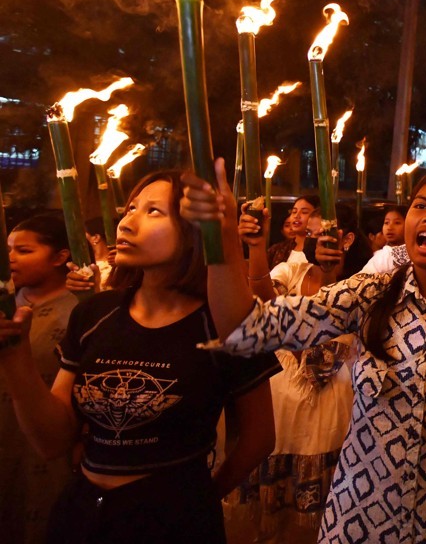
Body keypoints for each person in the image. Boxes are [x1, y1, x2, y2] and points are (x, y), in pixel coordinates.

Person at [183, 164, 426, 543]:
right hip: (358, 521)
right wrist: (221, 238)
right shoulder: (370, 293)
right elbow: (248, 326)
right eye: (420, 206)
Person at [0, 171, 279, 543]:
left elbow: (259, 438)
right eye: (131, 208)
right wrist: (15, 359)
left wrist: (202, 497)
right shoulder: (94, 314)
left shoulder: (225, 323)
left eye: (153, 212)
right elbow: (52, 440)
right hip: (83, 512)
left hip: (172, 521)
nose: (128, 222)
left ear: (196, 230)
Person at [227, 202, 369, 543]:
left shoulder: (364, 284)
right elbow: (264, 300)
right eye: (313, 235)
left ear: (347, 240)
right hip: (282, 402)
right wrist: (256, 247)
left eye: (325, 236)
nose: (317, 242)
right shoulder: (294, 271)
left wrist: (332, 273)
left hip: (329, 404)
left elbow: (329, 321)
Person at [0, 214, 78, 543]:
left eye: (24, 250)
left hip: (48, 450)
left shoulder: (80, 310)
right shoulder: (6, 308)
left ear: (60, 256)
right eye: (8, 250)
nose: (10, 259)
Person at [267, 195, 320, 270]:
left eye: (304, 212)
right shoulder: (277, 249)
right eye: (294, 212)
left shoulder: (320, 249)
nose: (296, 216)